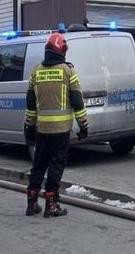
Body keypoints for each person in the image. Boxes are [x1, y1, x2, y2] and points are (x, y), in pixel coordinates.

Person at [24, 32, 89, 218]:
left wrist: (29, 126)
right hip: (61, 131)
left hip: (42, 129)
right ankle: (51, 206)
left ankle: (32, 203)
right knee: (56, 165)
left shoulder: (35, 72)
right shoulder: (68, 72)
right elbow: (77, 102)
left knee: (39, 164)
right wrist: (84, 126)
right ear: (62, 50)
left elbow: (30, 104)